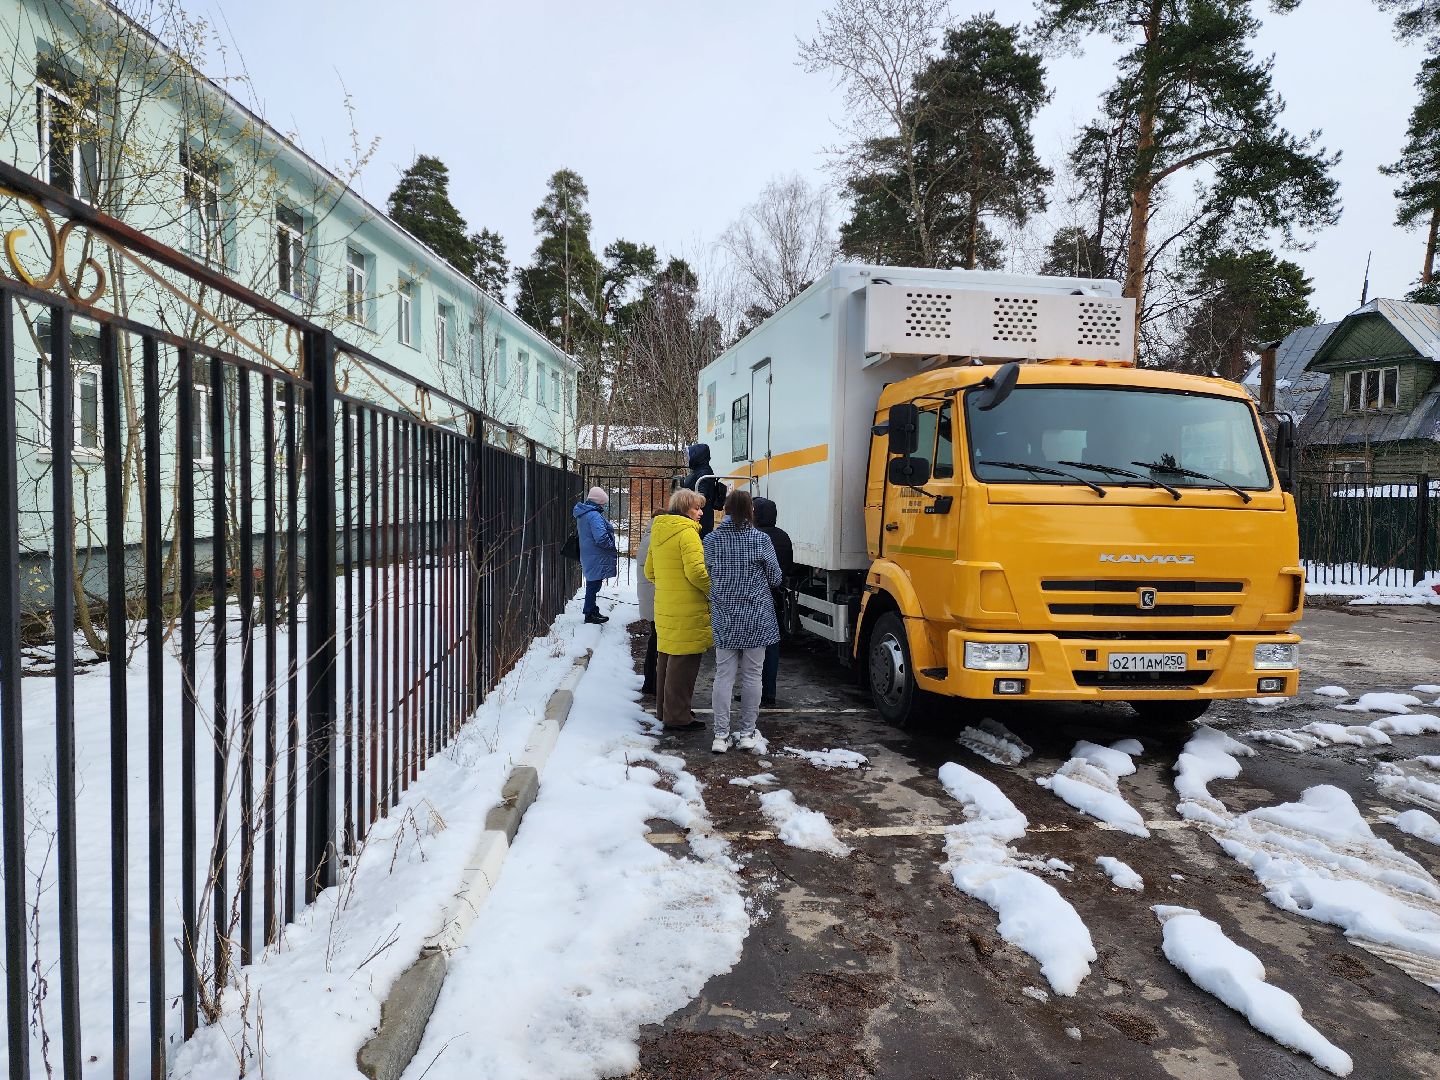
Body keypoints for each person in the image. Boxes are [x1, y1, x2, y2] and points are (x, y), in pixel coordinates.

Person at [703, 489, 781, 753]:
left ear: (725, 509)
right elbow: (775, 578)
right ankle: (747, 733)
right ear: (751, 510)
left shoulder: (712, 539)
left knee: (723, 675)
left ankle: (720, 735)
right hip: (756, 615)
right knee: (752, 675)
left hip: (725, 615)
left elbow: (708, 571)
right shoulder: (760, 539)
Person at [643, 488, 712, 730]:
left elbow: (649, 571)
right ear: (685, 509)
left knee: (667, 658)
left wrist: (669, 584)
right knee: (684, 662)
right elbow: (696, 573)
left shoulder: (659, 531)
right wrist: (713, 589)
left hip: (665, 604)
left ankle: (666, 710)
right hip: (687, 606)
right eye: (697, 508)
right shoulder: (687, 533)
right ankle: (678, 716)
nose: (701, 513)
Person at [752, 496, 794, 707]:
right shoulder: (783, 536)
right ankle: (769, 692)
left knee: (753, 649)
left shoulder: (756, 537)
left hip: (757, 597)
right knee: (772, 647)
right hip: (778, 597)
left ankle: (754, 691)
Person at [572, 486, 617, 625]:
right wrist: (611, 545)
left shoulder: (584, 513)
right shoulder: (594, 515)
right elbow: (601, 537)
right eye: (603, 503)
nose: (604, 506)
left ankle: (592, 610)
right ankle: (589, 613)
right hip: (596, 555)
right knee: (593, 585)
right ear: (598, 502)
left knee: (593, 583)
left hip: (589, 554)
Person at [634, 508, 663, 695]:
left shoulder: (648, 536)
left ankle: (650, 682)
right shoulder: (655, 538)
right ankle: (651, 682)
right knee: (657, 641)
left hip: (648, 595)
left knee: (655, 639)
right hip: (655, 595)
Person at [683, 443, 727, 537]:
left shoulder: (704, 472)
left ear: (697, 456)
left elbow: (701, 494)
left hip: (701, 514)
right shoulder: (699, 470)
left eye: (691, 455)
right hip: (697, 511)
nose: (689, 458)